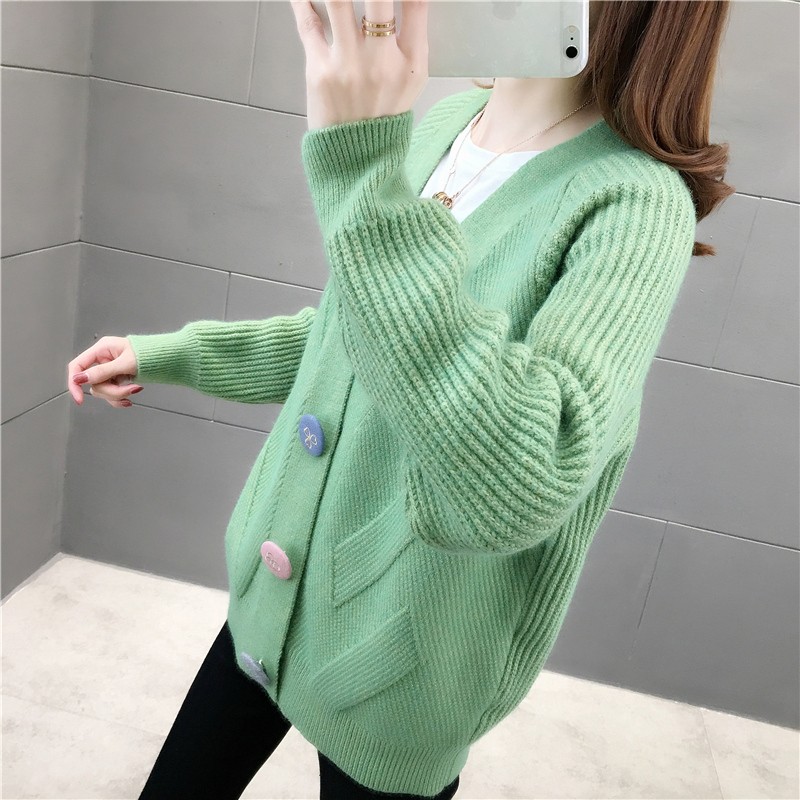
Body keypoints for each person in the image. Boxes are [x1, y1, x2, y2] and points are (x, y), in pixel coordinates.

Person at [66, 1, 734, 798]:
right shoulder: (442, 125)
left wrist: (358, 166)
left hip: (398, 672)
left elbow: (523, 476)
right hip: (273, 600)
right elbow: (353, 335)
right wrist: (175, 355)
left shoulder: (635, 205)